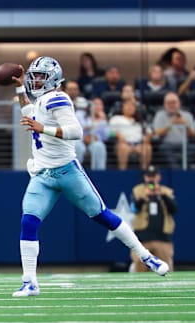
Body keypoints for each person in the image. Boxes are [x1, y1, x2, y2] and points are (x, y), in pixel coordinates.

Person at [11, 56, 169, 297]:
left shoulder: (58, 98)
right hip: (43, 175)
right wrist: (20, 86)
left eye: (40, 76)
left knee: (102, 215)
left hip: (66, 171)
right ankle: (30, 281)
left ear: (53, 78)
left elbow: (76, 131)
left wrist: (45, 129)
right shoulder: (41, 101)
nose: (36, 80)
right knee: (28, 222)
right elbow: (27, 110)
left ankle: (146, 256)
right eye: (34, 76)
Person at [129, 165, 177, 273]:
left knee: (166, 269)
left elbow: (174, 209)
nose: (151, 179)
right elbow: (133, 208)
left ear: (159, 177)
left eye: (153, 176)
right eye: (148, 176)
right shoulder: (138, 190)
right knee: (140, 268)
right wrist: (144, 197)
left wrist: (163, 195)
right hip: (143, 239)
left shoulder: (167, 191)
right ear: (145, 177)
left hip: (162, 239)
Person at [152, 92, 195, 169]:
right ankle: (177, 171)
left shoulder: (187, 115)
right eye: (169, 103)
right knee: (163, 149)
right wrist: (170, 124)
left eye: (174, 102)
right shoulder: (160, 115)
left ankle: (186, 170)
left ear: (179, 103)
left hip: (184, 144)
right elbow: (157, 133)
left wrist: (186, 125)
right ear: (164, 104)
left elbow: (193, 134)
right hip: (167, 144)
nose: (171, 105)